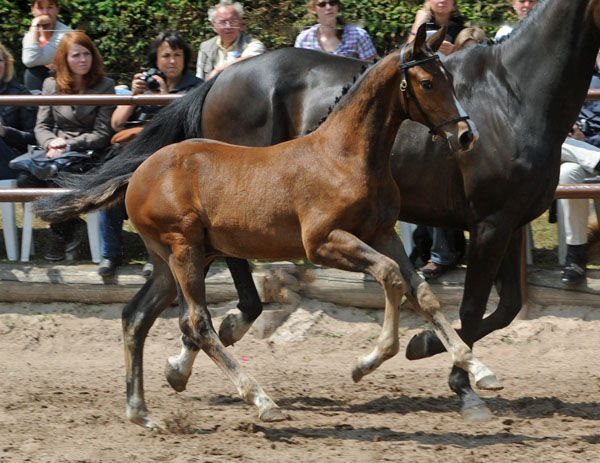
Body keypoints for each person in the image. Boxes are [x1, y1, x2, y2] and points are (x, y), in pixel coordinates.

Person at [100, 32, 203, 277]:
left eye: (177, 55)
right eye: (165, 55)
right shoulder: (146, 83)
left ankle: (154, 258)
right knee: (111, 190)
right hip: (136, 156)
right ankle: (110, 255)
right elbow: (116, 124)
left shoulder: (195, 87)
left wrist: (165, 97)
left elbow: (190, 130)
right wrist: (134, 96)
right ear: (155, 60)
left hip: (174, 161)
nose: (172, 61)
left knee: (161, 199)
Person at [17, 31, 115, 262]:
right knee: (26, 181)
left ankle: (61, 237)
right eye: (76, 55)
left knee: (63, 176)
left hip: (89, 153)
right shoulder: (51, 85)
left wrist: (67, 144)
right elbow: (41, 126)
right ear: (64, 59)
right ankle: (69, 227)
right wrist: (51, 142)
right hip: (55, 152)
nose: (83, 59)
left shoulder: (105, 85)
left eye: (86, 54)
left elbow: (102, 134)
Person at [407, 0, 467, 279]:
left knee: (439, 172)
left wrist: (453, 52)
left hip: (454, 108)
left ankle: (441, 254)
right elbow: (407, 57)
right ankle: (428, 249)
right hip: (426, 110)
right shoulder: (422, 24)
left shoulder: (461, 27)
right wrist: (419, 26)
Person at [196, 1, 266, 80]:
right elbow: (199, 79)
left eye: (233, 21)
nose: (228, 26)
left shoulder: (253, 44)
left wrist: (217, 71)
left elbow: (250, 58)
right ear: (213, 26)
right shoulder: (205, 47)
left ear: (240, 23)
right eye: (223, 22)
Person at [0, 42, 37, 180]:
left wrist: (5, 132)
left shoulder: (20, 93)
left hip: (12, 159)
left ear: (6, 64)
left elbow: (33, 139)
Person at [294, 0, 377, 60]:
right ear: (313, 9)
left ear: (337, 6)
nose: (328, 7)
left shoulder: (358, 36)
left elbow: (373, 73)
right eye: (322, 4)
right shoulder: (303, 40)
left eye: (332, 2)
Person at [21, 0, 72, 92]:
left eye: (50, 7)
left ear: (57, 9)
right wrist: (35, 24)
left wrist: (36, 22)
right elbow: (29, 61)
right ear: (33, 10)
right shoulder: (30, 35)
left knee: (34, 71)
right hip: (43, 85)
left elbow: (31, 59)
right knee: (32, 73)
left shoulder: (65, 35)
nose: (45, 13)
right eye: (40, 8)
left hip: (66, 83)